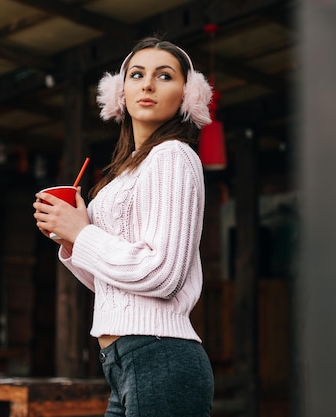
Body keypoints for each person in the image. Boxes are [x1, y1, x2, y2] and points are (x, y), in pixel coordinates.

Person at [33, 36, 215, 417]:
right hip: (124, 363)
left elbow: (163, 274)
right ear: (120, 92)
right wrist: (70, 238)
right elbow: (112, 283)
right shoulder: (124, 175)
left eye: (164, 76)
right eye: (136, 74)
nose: (147, 84)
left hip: (159, 356)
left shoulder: (174, 156)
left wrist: (82, 234)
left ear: (188, 95)